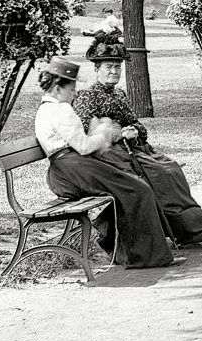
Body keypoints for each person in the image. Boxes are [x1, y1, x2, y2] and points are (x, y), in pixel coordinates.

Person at [73, 33, 202, 244]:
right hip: (108, 156)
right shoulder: (88, 96)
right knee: (159, 174)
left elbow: (138, 125)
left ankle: (187, 228)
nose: (114, 71)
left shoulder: (120, 94)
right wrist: (116, 134)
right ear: (96, 69)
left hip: (132, 149)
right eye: (108, 67)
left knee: (171, 168)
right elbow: (84, 131)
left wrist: (133, 130)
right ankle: (187, 230)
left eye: (117, 67)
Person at [33, 57, 177, 269]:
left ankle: (117, 246)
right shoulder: (61, 110)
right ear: (57, 88)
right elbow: (83, 146)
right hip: (74, 170)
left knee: (131, 187)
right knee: (138, 190)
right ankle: (145, 257)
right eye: (71, 90)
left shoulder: (45, 109)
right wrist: (105, 134)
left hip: (65, 171)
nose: (74, 94)